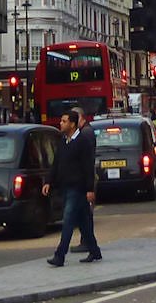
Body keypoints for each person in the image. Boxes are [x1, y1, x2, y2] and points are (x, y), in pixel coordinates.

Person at [41, 107, 100, 267]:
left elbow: (88, 167)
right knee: (83, 222)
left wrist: (89, 189)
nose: (60, 123)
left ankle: (60, 255)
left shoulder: (82, 142)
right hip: (66, 188)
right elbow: (56, 163)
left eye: (64, 121)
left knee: (68, 221)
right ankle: (95, 251)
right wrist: (48, 181)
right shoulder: (63, 141)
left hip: (78, 188)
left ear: (72, 124)